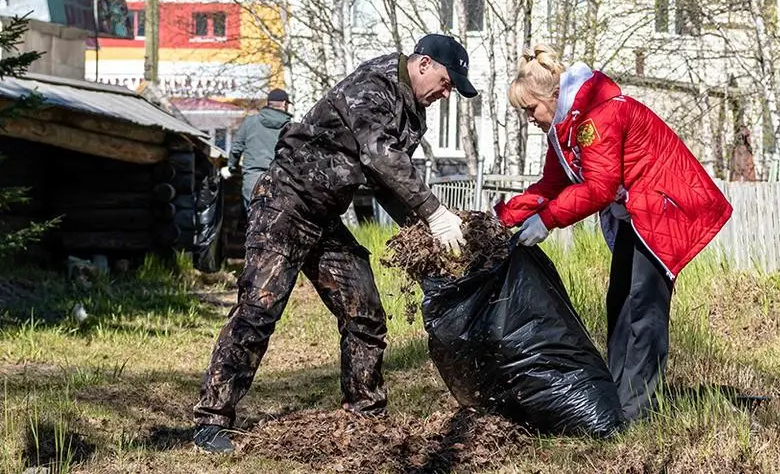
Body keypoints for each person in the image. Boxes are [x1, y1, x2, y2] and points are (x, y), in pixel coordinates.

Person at [193, 34, 477, 453]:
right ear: (422, 64)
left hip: (325, 217)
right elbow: (381, 157)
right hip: (285, 204)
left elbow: (387, 184)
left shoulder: (412, 115)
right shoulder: (374, 87)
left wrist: (424, 230)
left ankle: (366, 416)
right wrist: (435, 212)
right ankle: (211, 421)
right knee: (259, 311)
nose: (446, 91)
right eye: (446, 80)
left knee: (365, 313)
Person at [495, 45, 732, 423]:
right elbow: (553, 183)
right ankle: (618, 400)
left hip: (663, 208)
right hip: (633, 213)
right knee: (620, 303)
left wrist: (547, 222)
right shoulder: (565, 125)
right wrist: (502, 218)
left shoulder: (598, 117)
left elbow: (598, 189)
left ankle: (636, 413)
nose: (529, 119)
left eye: (530, 109)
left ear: (551, 97)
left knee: (644, 308)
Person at [221, 88, 293, 210]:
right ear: (285, 104)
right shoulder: (290, 127)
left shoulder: (250, 122)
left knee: (253, 223)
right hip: (280, 182)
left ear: (268, 104)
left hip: (253, 182)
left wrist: (231, 167)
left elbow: (236, 148)